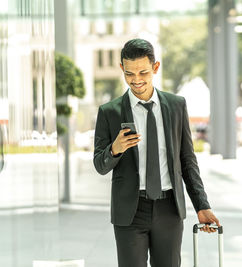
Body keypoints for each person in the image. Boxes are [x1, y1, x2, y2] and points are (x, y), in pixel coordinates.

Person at [93, 38, 220, 267]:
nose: (136, 80)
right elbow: (100, 165)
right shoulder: (109, 112)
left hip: (169, 208)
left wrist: (202, 205)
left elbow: (187, 161)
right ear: (122, 69)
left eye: (143, 72)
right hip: (129, 212)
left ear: (155, 67)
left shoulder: (176, 105)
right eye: (129, 73)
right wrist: (115, 149)